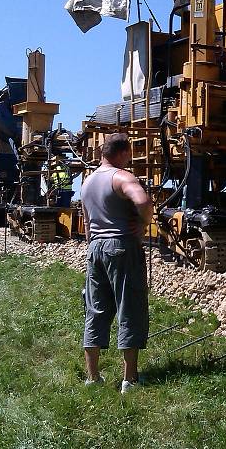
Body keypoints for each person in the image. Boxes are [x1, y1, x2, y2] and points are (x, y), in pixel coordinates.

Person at [81, 133, 152, 393]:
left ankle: (93, 377)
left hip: (95, 248)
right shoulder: (121, 177)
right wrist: (143, 223)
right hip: (121, 247)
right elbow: (143, 200)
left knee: (96, 309)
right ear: (122, 153)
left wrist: (95, 243)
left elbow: (88, 224)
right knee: (129, 308)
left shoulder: (87, 182)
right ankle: (130, 380)